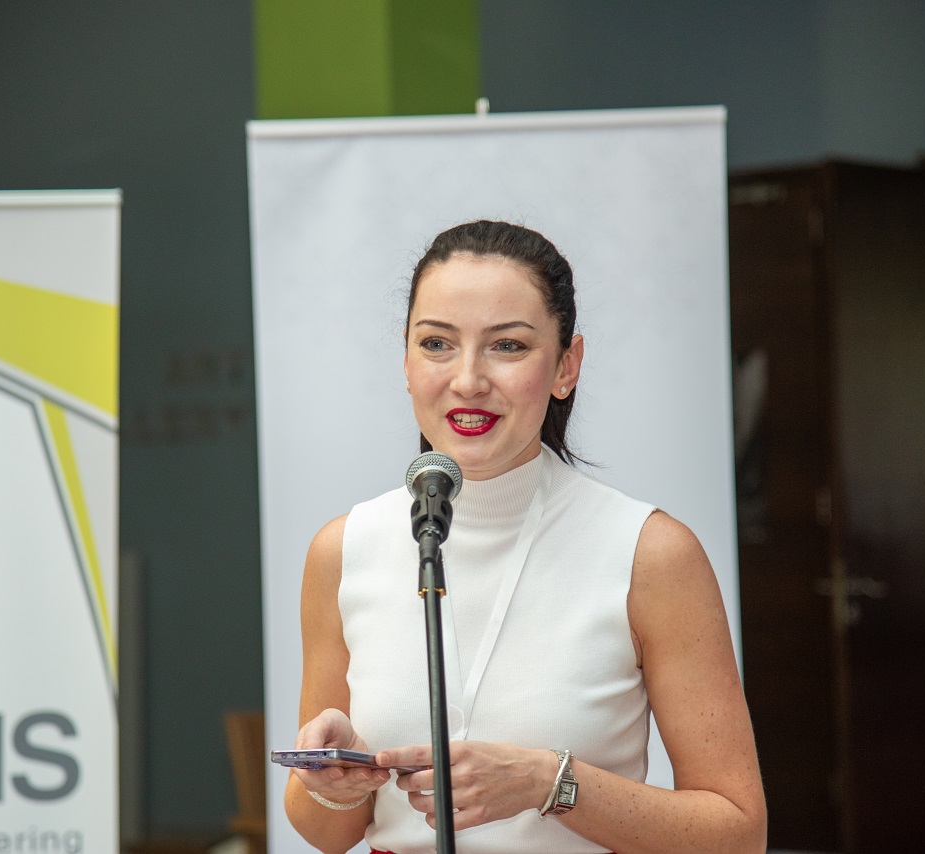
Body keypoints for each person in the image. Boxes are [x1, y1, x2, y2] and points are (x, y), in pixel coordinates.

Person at [285, 220, 767, 853]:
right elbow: (324, 833)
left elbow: (738, 833)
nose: (467, 379)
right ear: (405, 362)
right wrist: (338, 784)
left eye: (507, 346)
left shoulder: (649, 552)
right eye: (436, 343)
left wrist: (550, 783)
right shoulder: (344, 549)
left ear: (567, 366)